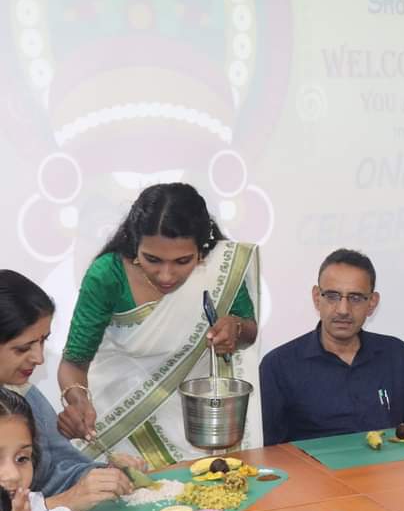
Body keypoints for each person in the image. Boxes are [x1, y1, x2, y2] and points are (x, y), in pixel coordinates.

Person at [56, 183, 261, 468]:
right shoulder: (108, 274)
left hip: (202, 428)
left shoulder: (220, 268)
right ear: (134, 240)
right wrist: (76, 401)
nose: (166, 275)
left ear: (202, 249)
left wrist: (235, 328)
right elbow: (73, 363)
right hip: (123, 427)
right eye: (152, 259)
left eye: (182, 261)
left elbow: (249, 332)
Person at [0, 270, 144, 511]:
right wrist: (62, 504)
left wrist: (105, 476)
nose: (39, 358)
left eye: (43, 340)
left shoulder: (22, 394)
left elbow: (57, 470)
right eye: (23, 348)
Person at [260, 249, 404, 445]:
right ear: (317, 298)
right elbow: (270, 452)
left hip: (388, 472)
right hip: (314, 474)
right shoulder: (279, 366)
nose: (343, 310)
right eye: (333, 296)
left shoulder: (395, 355)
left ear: (372, 303)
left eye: (355, 298)